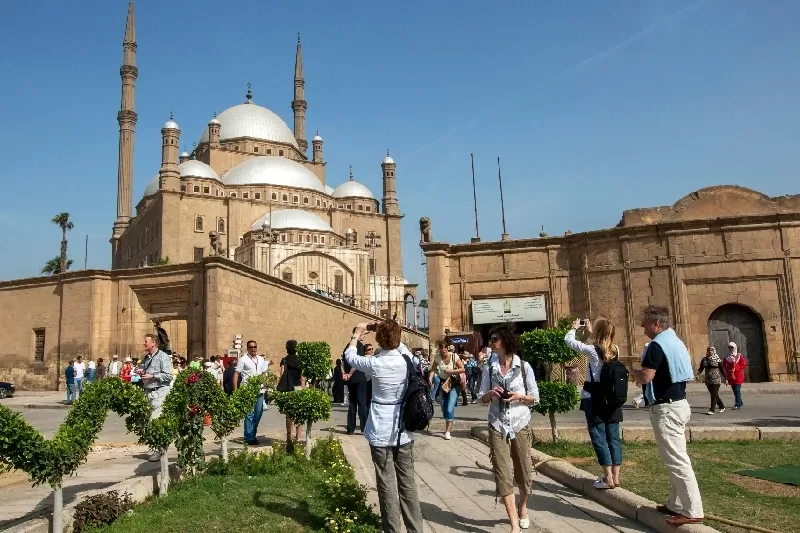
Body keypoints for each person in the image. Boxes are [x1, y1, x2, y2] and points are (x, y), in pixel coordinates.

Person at [344, 320, 424, 533]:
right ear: (398, 338)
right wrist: (386, 329)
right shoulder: (406, 359)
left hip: (380, 429)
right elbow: (401, 346)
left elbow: (350, 356)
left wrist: (358, 332)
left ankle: (392, 530)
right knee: (407, 483)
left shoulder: (375, 363)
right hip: (403, 429)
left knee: (386, 484)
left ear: (379, 340)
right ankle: (416, 529)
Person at [633, 305, 703, 526]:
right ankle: (675, 503)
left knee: (677, 460)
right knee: (674, 458)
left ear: (656, 324)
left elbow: (646, 376)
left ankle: (692, 510)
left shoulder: (656, 345)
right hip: (679, 404)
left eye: (645, 322)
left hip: (667, 409)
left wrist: (634, 373)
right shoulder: (674, 341)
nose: (642, 326)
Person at [479, 322, 539, 532]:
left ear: (505, 340)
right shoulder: (489, 367)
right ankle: (514, 524)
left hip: (520, 423)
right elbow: (481, 397)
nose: (490, 343)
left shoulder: (524, 367)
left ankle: (523, 507)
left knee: (523, 471)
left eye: (494, 339)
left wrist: (518, 397)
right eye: (490, 339)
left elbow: (535, 398)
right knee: (503, 474)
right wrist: (490, 395)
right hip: (497, 424)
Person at [565, 318, 623, 489]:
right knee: (613, 437)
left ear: (598, 332)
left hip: (594, 397)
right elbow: (601, 344)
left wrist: (573, 328)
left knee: (599, 435)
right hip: (611, 399)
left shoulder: (591, 350)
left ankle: (607, 478)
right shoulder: (616, 350)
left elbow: (569, 341)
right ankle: (616, 476)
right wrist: (590, 332)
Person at [140, 333, 174, 462]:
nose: (144, 343)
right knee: (149, 421)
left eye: (146, 341)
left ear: (153, 343)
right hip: (148, 392)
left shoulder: (163, 357)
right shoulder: (147, 358)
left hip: (160, 392)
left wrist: (153, 376)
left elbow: (168, 376)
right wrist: (142, 373)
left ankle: (157, 450)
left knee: (155, 421)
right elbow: (147, 372)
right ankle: (157, 447)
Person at [234, 340, 269, 445]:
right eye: (251, 347)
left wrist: (266, 386)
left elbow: (263, 373)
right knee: (249, 414)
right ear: (247, 348)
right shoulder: (243, 359)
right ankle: (249, 437)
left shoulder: (261, 359)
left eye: (255, 347)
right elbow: (236, 374)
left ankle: (252, 433)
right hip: (248, 391)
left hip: (259, 390)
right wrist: (236, 391)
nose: (253, 349)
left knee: (258, 413)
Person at [429, 341, 465, 440]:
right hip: (442, 384)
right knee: (443, 408)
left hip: (453, 384)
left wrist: (451, 371)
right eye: (442, 349)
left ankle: (448, 431)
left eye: (445, 349)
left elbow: (462, 369)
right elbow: (433, 369)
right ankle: (450, 419)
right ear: (439, 349)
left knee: (450, 408)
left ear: (447, 349)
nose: (443, 351)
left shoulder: (454, 356)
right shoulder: (437, 357)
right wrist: (430, 377)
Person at [342, 327, 369, 435]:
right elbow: (356, 363)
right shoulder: (360, 346)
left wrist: (345, 374)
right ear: (358, 334)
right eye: (363, 335)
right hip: (359, 377)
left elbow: (343, 362)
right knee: (362, 403)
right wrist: (350, 373)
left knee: (352, 403)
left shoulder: (347, 346)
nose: (364, 337)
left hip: (350, 379)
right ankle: (364, 428)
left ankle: (350, 428)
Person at [277, 340, 305, 443]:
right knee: (299, 413)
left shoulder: (284, 360)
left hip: (288, 389)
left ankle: (289, 437)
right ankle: (298, 437)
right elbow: (303, 378)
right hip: (298, 388)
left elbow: (282, 375)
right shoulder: (300, 360)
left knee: (289, 414)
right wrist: (303, 389)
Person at [697, 347, 726, 415]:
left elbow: (722, 370)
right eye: (709, 350)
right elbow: (701, 368)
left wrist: (726, 379)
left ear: (714, 351)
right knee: (714, 394)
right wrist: (697, 375)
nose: (710, 352)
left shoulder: (717, 359)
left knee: (713, 394)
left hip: (716, 380)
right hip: (708, 380)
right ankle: (722, 406)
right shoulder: (704, 359)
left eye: (711, 350)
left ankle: (712, 409)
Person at [723, 342, 747, 409]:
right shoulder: (727, 357)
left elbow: (743, 364)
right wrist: (727, 370)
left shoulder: (739, 356)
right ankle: (740, 401)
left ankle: (737, 404)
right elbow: (724, 365)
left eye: (732, 347)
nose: (730, 349)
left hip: (738, 376)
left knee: (737, 389)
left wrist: (736, 369)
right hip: (731, 375)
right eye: (729, 348)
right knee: (734, 390)